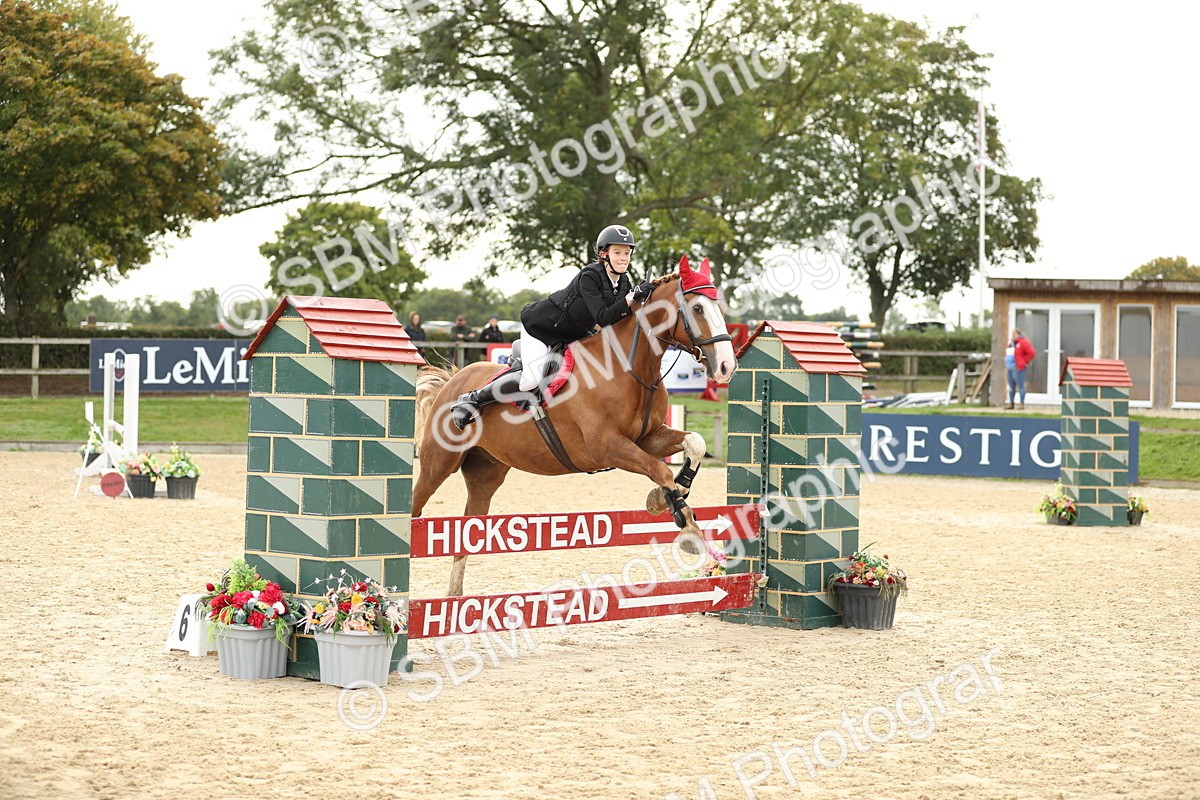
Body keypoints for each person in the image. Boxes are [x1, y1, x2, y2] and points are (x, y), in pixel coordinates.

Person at [451, 224, 655, 428]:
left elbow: (618, 319)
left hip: (571, 333)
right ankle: (472, 398)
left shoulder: (624, 282)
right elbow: (603, 317)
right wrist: (632, 297)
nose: (623, 258)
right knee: (530, 380)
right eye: (617, 252)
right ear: (604, 254)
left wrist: (643, 300)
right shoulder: (590, 276)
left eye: (627, 253)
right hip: (541, 328)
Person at [1005, 327, 1036, 409]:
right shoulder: (1011, 344)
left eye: (1014, 334)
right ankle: (1011, 403)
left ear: (1018, 334)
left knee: (1020, 386)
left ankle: (1022, 403)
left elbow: (1031, 353)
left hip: (1018, 368)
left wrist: (1024, 361)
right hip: (1010, 367)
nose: (1012, 336)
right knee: (1011, 387)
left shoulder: (1023, 342)